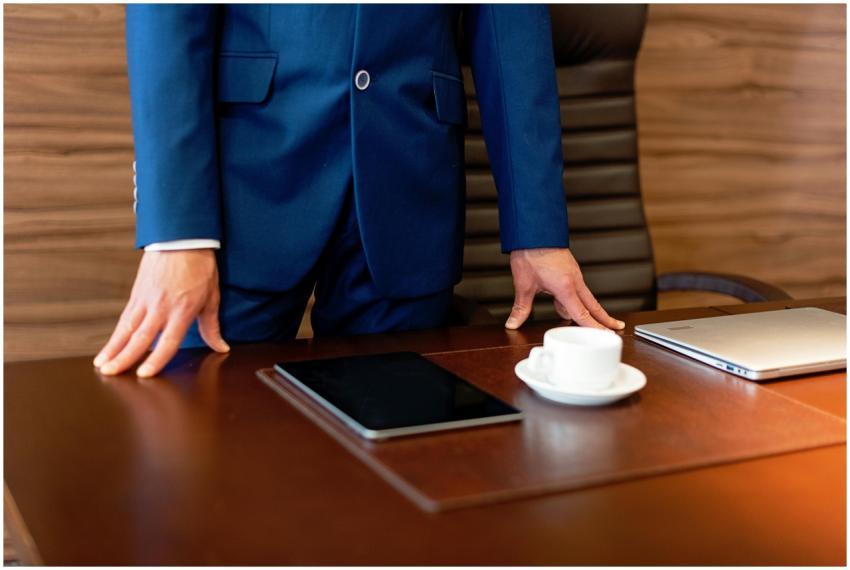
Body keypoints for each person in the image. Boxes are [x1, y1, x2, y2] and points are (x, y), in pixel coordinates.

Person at [94, 4, 625, 379]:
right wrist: (178, 230)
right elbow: (167, 14)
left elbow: (511, 24)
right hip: (241, 192)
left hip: (411, 179)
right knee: (201, 448)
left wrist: (537, 230)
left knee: (396, 458)